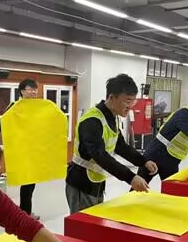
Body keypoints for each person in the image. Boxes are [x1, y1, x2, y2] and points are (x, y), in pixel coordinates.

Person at [65, 74, 158, 213]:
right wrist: (131, 177)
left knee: (95, 221)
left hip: (96, 181)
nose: (130, 107)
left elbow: (121, 146)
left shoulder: (112, 118)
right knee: (83, 223)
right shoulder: (92, 121)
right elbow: (100, 156)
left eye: (133, 102)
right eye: (127, 101)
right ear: (112, 98)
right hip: (81, 183)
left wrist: (143, 162)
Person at [0, 78, 40, 219]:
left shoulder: (36, 107)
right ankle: (25, 214)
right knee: (27, 181)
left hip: (33, 149)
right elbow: (0, 124)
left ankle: (25, 212)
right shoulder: (14, 106)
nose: (33, 92)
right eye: (30, 89)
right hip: (22, 150)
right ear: (22, 91)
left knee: (31, 182)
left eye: (35, 89)